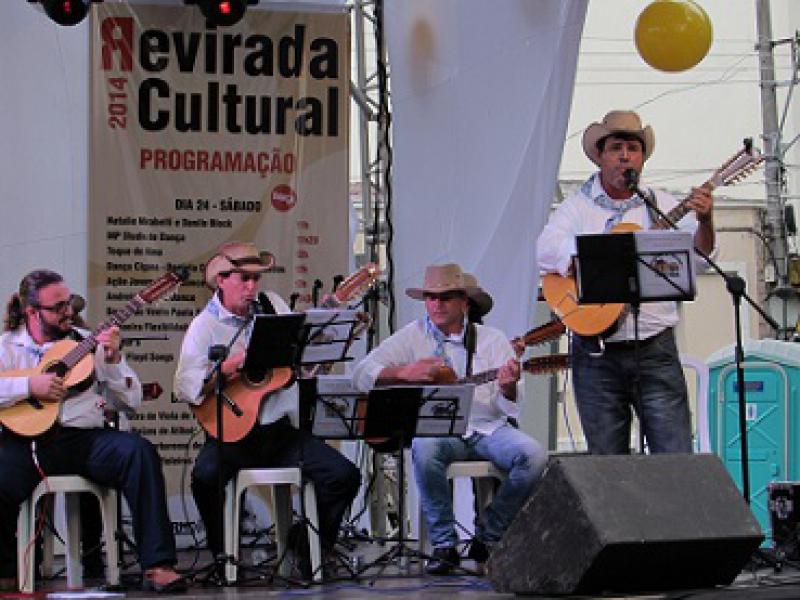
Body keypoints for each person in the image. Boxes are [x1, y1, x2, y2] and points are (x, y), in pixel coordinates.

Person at [173, 241, 360, 578]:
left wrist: (323, 343)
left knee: (343, 475)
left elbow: (298, 363)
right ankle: (223, 557)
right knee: (204, 477)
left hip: (279, 433)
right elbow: (185, 386)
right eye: (243, 278)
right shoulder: (204, 326)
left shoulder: (272, 306)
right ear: (222, 280)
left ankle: (307, 547)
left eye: (255, 278)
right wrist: (228, 367)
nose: (251, 286)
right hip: (230, 435)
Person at [536, 109, 716, 455]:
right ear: (600, 156)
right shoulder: (577, 207)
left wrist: (706, 221)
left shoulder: (660, 204)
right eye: (616, 147)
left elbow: (700, 257)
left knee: (674, 456)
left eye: (633, 148)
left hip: (654, 347)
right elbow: (545, 249)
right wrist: (595, 259)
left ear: (642, 159)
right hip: (596, 352)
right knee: (608, 465)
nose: (625, 156)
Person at [351, 263, 547, 575]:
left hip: (487, 428)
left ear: (463, 302)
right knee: (425, 448)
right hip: (440, 432)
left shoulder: (492, 340)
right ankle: (444, 543)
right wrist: (404, 372)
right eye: (430, 298)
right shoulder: (412, 336)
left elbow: (508, 407)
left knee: (535, 456)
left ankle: (490, 533)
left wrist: (508, 385)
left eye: (445, 298)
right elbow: (361, 373)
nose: (436, 304)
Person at [0, 270, 185, 593]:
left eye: (69, 303)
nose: (68, 311)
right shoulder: (7, 346)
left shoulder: (87, 343)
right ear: (32, 311)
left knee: (138, 452)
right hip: (27, 442)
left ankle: (158, 564)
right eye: (58, 307)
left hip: (83, 440)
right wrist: (30, 385)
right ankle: (4, 568)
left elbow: (131, 402)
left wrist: (113, 360)